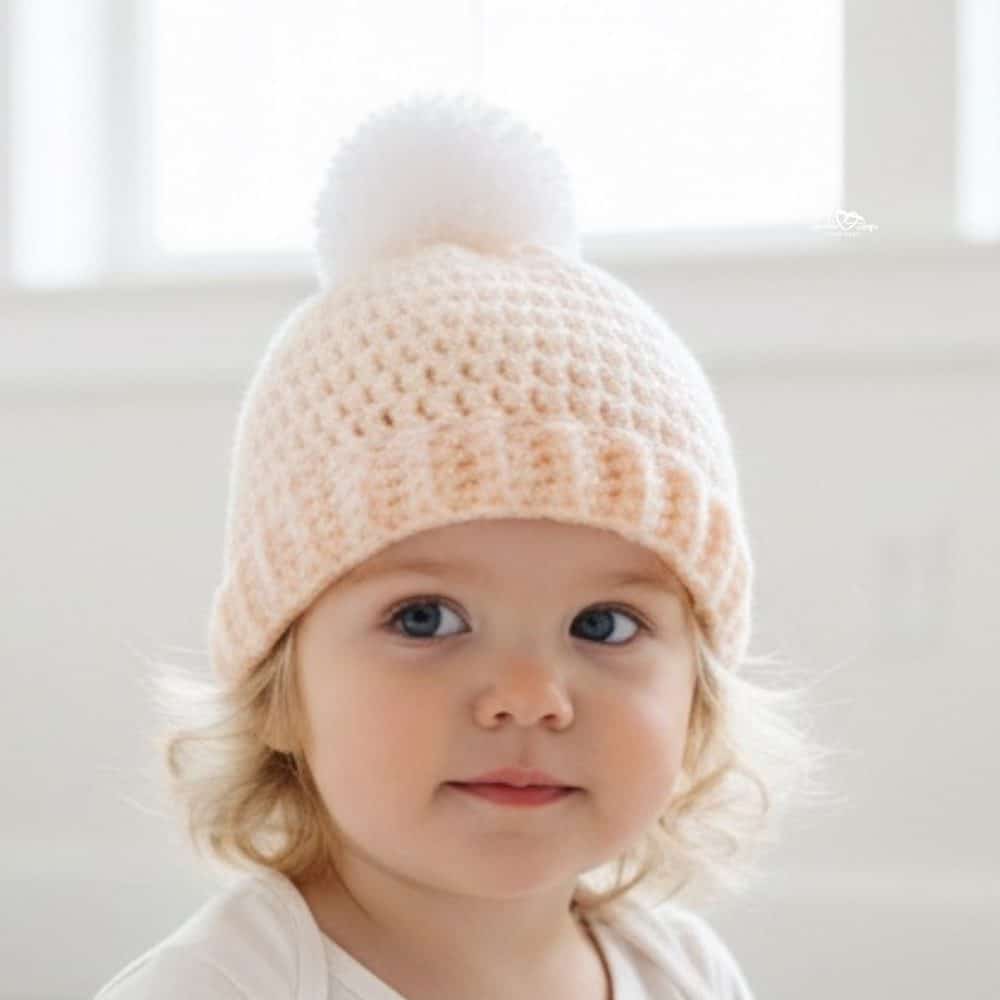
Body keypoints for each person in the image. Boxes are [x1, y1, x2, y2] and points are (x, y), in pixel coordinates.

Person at [94, 91, 832, 999]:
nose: (530, 699)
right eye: (426, 617)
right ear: (280, 687)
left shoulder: (684, 973)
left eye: (604, 624)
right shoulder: (229, 986)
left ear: (698, 702)